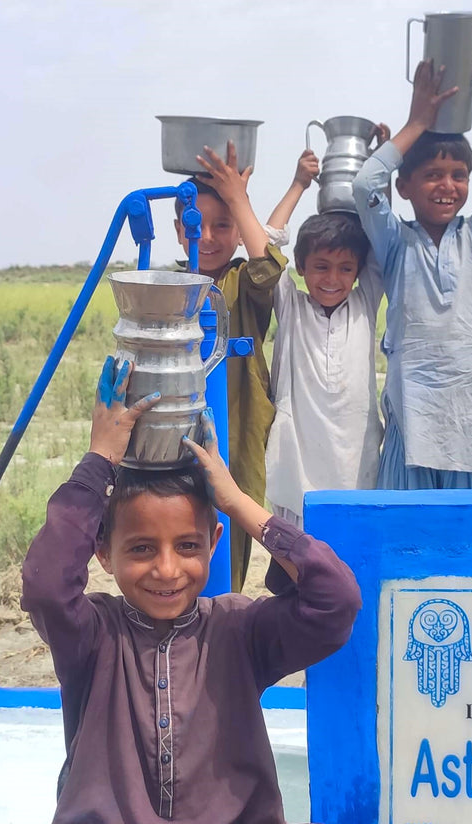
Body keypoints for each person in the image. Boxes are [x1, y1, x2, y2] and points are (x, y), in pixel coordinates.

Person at [0, 358, 369, 824]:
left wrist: (240, 502)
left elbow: (335, 601)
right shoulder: (90, 635)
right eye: (140, 549)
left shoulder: (239, 628)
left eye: (188, 545)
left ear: (214, 541)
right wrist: (98, 461)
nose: (166, 569)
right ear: (103, 553)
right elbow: (44, 583)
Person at [352, 19, 472, 489]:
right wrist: (417, 122)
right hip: (414, 423)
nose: (447, 186)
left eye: (459, 175)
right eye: (433, 175)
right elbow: (365, 185)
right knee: (409, 547)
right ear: (406, 186)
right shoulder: (397, 244)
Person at [175, 142, 287, 591]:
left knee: (229, 532)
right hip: (176, 435)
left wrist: (240, 200)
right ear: (179, 231)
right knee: (179, 531)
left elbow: (269, 271)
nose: (210, 236)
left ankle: (221, 629)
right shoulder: (169, 285)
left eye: (225, 225)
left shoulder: (242, 281)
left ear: (240, 231)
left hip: (236, 432)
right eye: (197, 225)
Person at [261, 145, 387, 525]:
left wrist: (379, 164)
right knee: (298, 565)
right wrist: (299, 184)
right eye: (320, 266)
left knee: (352, 561)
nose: (332, 279)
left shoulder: (365, 304)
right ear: (299, 267)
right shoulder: (291, 306)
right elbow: (266, 247)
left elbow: (383, 237)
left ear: (359, 272)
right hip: (298, 466)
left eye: (345, 268)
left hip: (356, 462)